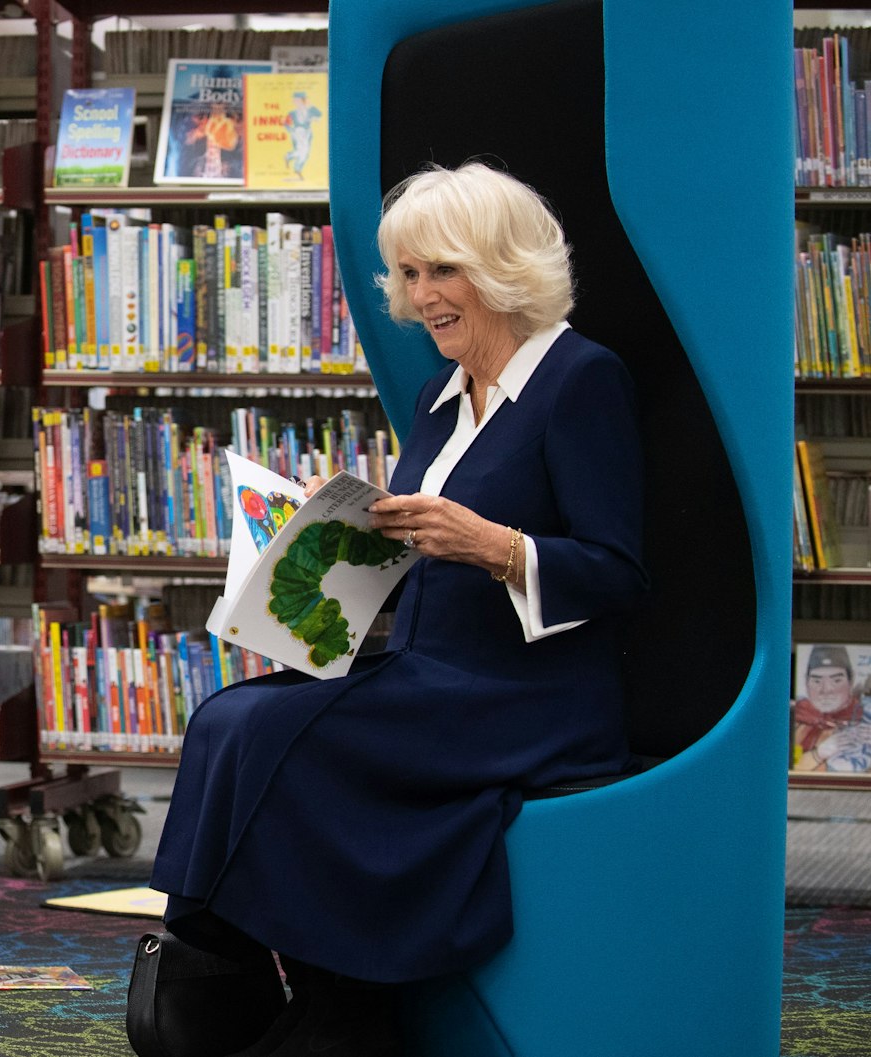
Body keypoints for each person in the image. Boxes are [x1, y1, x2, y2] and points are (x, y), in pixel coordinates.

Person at [151, 162, 647, 1057]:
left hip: (528, 697)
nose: (421, 297)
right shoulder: (438, 395)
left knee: (273, 735)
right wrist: (330, 529)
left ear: (501, 266)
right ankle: (261, 968)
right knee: (226, 715)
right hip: (430, 672)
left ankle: (332, 1000)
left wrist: (494, 544)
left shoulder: (581, 379)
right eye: (410, 276)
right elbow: (424, 542)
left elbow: (617, 570)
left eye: (441, 271)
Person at [794, 645, 862, 769]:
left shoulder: (864, 719)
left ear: (850, 681)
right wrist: (818, 754)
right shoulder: (796, 719)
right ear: (806, 682)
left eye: (836, 680)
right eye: (817, 681)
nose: (826, 690)